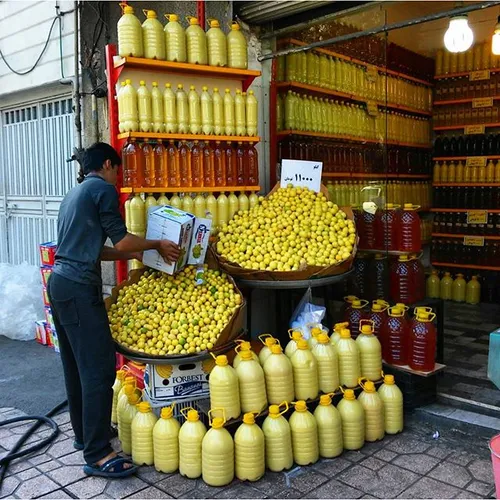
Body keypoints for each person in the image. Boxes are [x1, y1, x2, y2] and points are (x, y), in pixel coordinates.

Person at [47, 142, 179, 478]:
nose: (117, 178)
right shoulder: (102, 190)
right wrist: (155, 244)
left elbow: (101, 250)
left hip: (60, 284)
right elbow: (120, 240)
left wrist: (134, 254)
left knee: (76, 366)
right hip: (78, 288)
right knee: (100, 369)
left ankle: (85, 436)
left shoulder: (74, 194)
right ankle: (98, 454)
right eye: (117, 170)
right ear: (108, 165)